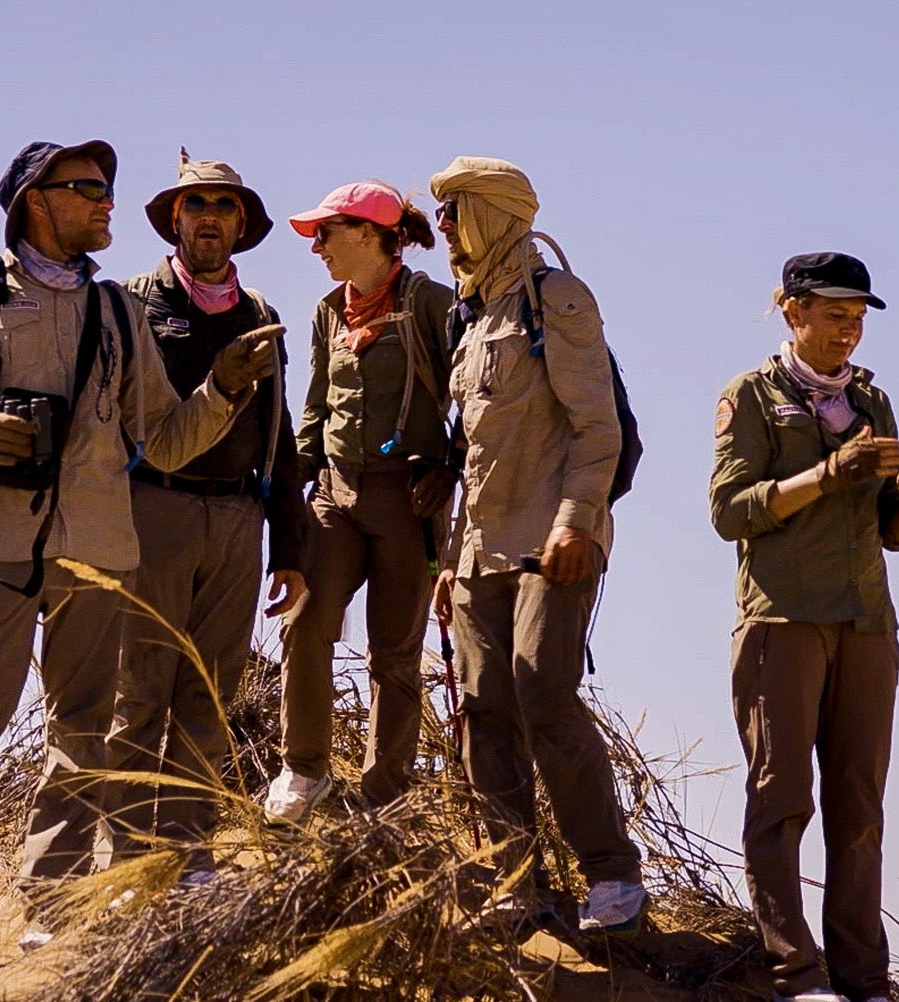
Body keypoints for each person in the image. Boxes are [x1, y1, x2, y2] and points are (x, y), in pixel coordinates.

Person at [0, 139, 278, 995]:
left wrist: (224, 388)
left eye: (106, 191)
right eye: (88, 191)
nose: (106, 204)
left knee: (81, 740)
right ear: (36, 200)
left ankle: (54, 909)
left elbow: (165, 435)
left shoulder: (115, 312)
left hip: (97, 557)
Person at [708, 251, 899, 1002]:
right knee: (781, 799)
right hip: (782, 618)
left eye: (857, 319)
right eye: (834, 315)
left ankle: (863, 979)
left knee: (859, 806)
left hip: (867, 623)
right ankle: (796, 973)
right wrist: (827, 475)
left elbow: (895, 534)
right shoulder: (751, 395)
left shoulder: (874, 405)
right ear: (793, 311)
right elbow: (730, 512)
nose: (848, 331)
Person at [426, 156, 647, 937]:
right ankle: (518, 883)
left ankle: (613, 877)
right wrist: (448, 561)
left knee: (542, 692)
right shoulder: (470, 314)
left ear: (490, 213)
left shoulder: (556, 298)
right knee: (484, 710)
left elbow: (599, 428)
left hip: (555, 538)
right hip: (479, 549)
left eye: (454, 213)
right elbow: (472, 455)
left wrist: (577, 519)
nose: (444, 230)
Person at [101, 151, 310, 875]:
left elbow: (281, 436)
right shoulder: (131, 303)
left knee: (210, 696)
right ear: (174, 220)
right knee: (139, 688)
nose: (210, 219)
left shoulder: (262, 316)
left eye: (224, 207)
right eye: (197, 206)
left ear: (242, 223)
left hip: (237, 522)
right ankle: (126, 857)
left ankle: (190, 853)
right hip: (150, 512)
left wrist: (290, 546)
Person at [260, 180, 457, 823]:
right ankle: (304, 769)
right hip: (335, 495)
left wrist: (449, 467)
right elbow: (314, 410)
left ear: (372, 235)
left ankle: (385, 792)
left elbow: (478, 398)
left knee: (393, 652)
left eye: (327, 233)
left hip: (409, 503)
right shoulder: (325, 311)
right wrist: (286, 494)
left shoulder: (433, 303)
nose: (317, 247)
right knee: (305, 624)